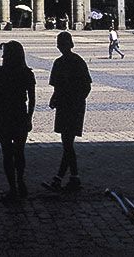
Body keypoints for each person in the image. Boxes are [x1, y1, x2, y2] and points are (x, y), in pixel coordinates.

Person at [0, 40, 35, 201]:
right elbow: (32, 99)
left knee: (7, 153)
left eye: (5, 53)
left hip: (4, 115)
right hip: (19, 114)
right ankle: (21, 182)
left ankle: (13, 187)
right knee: (19, 152)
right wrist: (29, 117)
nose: (3, 55)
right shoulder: (27, 73)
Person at [42, 31, 92, 193]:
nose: (60, 46)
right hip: (68, 106)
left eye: (61, 43)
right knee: (67, 143)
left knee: (67, 143)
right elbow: (84, 86)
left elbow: (85, 86)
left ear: (67, 44)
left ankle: (63, 179)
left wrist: (75, 100)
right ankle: (71, 178)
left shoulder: (70, 62)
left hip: (71, 107)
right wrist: (56, 99)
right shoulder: (74, 61)